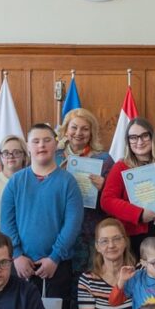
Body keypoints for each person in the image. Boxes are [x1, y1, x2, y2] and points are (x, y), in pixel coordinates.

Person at [0, 123, 84, 309]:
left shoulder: (68, 182)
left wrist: (55, 257)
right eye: (35, 141)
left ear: (56, 144)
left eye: (46, 140)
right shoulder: (16, 182)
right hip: (20, 266)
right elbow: (7, 221)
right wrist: (16, 255)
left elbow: (73, 223)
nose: (41, 146)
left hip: (56, 267)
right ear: (28, 147)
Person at [101, 117, 155, 259]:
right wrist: (139, 213)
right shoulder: (121, 167)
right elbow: (107, 200)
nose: (139, 142)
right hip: (135, 236)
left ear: (151, 137)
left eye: (144, 136)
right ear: (128, 141)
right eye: (133, 137)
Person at [56, 107, 114, 273]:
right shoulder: (55, 156)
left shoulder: (104, 159)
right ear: (66, 130)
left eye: (85, 128)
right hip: (60, 228)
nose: (78, 133)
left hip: (91, 231)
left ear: (91, 132)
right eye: (74, 127)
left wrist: (104, 187)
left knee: (89, 279)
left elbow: (116, 198)